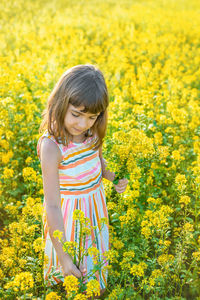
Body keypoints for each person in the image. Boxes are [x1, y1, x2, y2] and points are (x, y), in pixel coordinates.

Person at [37, 64, 128, 296]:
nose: (82, 124)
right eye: (76, 114)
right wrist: (64, 256)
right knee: (69, 278)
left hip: (95, 212)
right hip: (67, 219)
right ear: (60, 103)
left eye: (91, 117)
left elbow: (98, 162)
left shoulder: (92, 133)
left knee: (93, 278)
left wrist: (112, 177)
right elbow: (52, 205)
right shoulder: (51, 146)